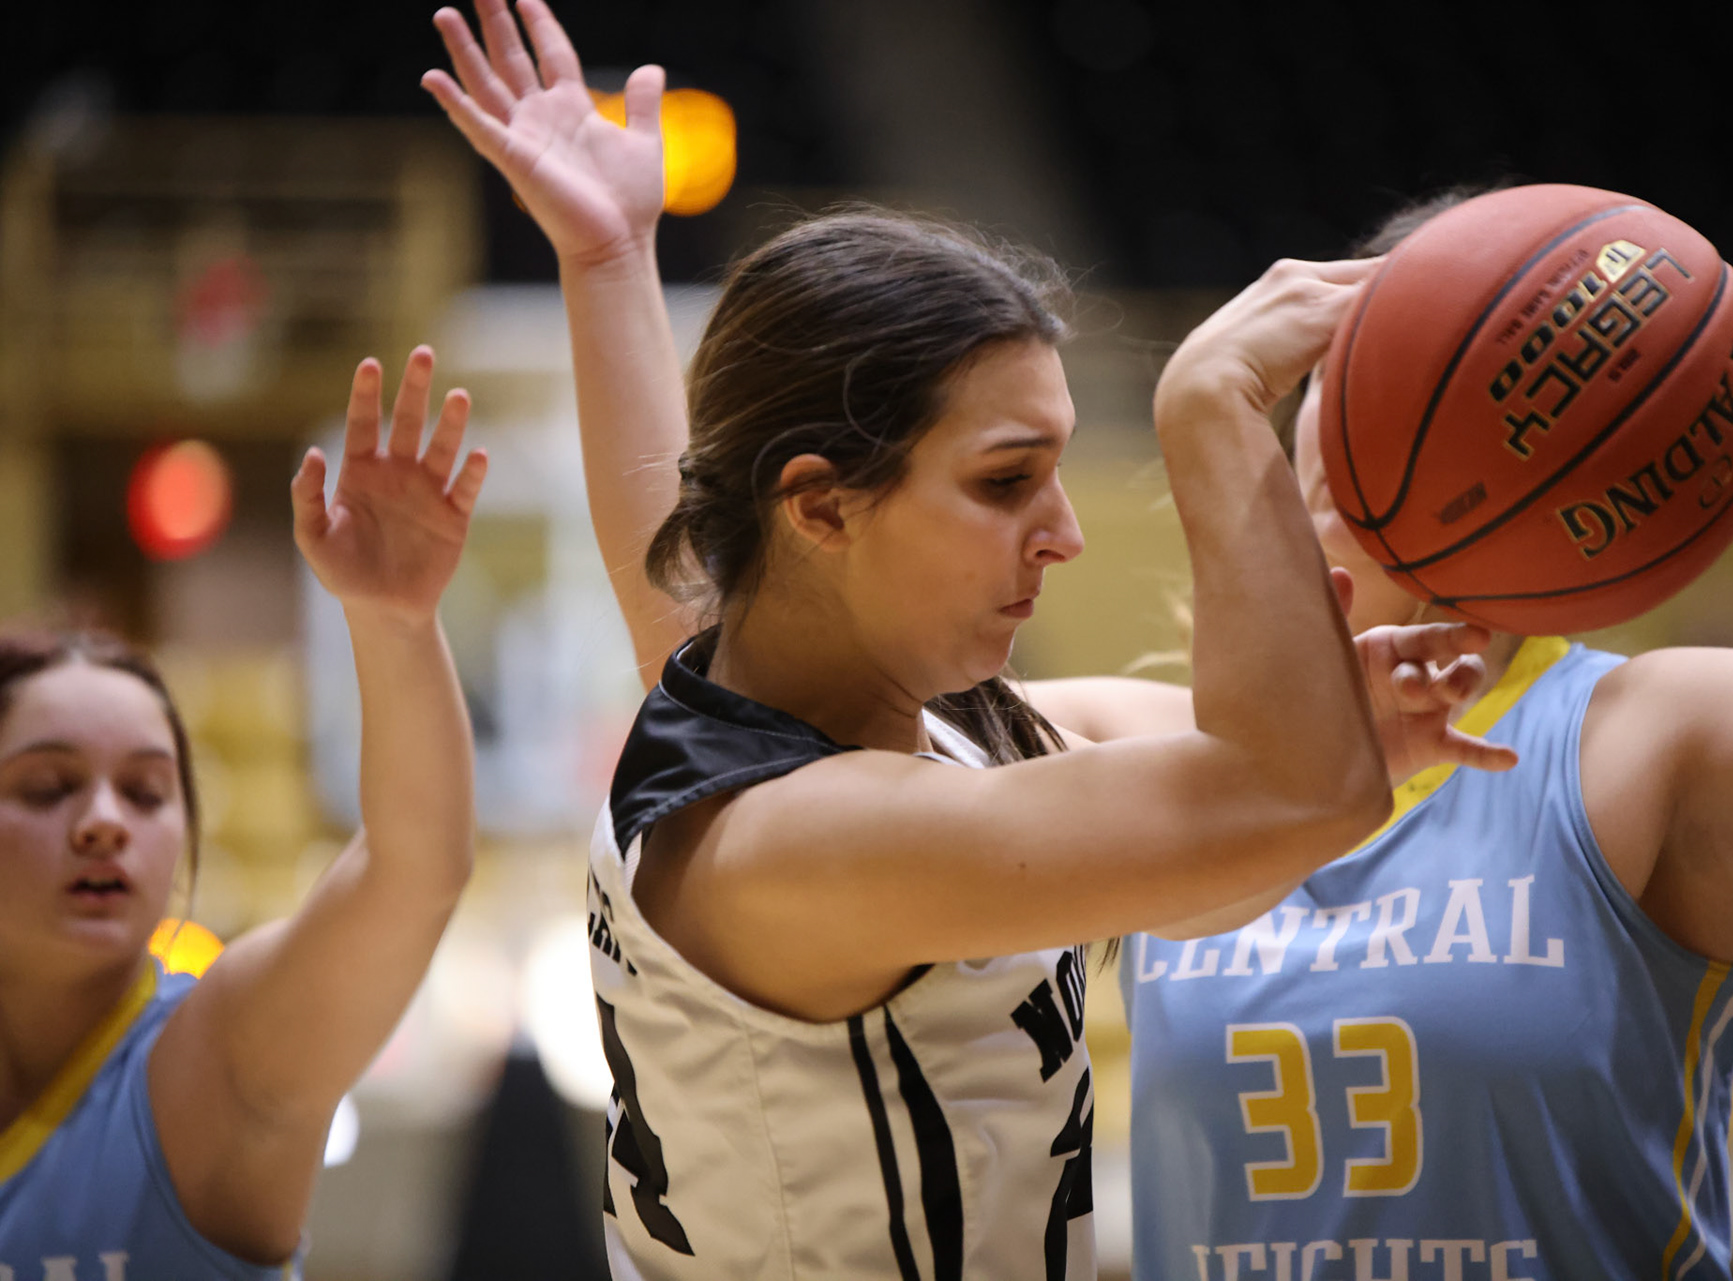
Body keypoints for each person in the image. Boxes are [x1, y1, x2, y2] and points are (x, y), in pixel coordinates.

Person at [422, 4, 1514, 1276]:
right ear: (821, 506)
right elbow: (1288, 798)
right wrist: (1211, 409)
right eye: (1007, 483)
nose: (1063, 537)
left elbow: (1254, 827)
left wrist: (609, 258)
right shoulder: (794, 845)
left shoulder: (807, 713)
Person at [1100, 190, 1733, 1281]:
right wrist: (1198, 404)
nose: (1380, 409)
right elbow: (812, 789)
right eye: (1361, 363)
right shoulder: (1127, 743)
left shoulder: (1655, 736)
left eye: (1433, 369)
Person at [0, 349, 488, 1277]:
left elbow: (414, 867)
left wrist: (395, 621)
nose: (105, 821)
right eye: (48, 786)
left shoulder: (215, 1058)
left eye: (147, 791)